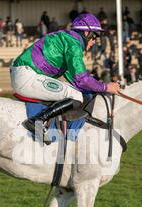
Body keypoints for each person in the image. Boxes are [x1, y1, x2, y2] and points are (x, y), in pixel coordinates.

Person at [10, 13, 120, 143]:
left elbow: (76, 81)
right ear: (86, 33)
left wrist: (97, 86)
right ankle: (38, 120)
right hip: (27, 76)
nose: (94, 41)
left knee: (76, 92)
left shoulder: (68, 39)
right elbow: (82, 79)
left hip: (25, 73)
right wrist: (106, 87)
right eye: (95, 36)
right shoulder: (74, 44)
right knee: (76, 96)